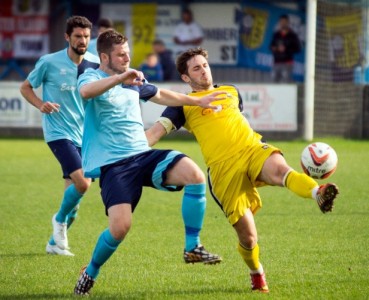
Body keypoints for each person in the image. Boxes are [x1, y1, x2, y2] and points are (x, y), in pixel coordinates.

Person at [145, 48, 339, 293]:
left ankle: (318, 192)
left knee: (281, 171)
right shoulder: (182, 105)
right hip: (224, 171)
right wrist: (127, 151)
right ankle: (256, 272)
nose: (203, 70)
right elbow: (154, 134)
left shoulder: (230, 90)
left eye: (205, 64)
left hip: (251, 149)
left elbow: (238, 120)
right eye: (196, 68)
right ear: (185, 78)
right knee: (248, 238)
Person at [73, 29, 224, 296]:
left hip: (142, 155)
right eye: (121, 55)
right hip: (114, 165)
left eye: (128, 53)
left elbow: (162, 95)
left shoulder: (133, 80)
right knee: (120, 228)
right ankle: (90, 272)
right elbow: (86, 92)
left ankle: (192, 247)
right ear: (104, 56)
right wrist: (120, 78)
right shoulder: (91, 75)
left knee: (194, 175)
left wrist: (197, 100)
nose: (126, 59)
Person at [20, 16, 100, 256]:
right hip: (58, 132)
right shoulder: (49, 62)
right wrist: (41, 104)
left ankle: (54, 244)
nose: (82, 40)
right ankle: (58, 219)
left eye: (86, 36)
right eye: (78, 36)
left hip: (84, 136)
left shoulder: (95, 64)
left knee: (74, 201)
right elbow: (25, 87)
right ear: (67, 37)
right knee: (83, 182)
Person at [269, 14, 301, 83]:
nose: (282, 23)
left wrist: (286, 49)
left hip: (287, 63)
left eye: (284, 22)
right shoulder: (276, 34)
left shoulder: (292, 35)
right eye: (281, 22)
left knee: (286, 82)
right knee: (274, 81)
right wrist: (276, 48)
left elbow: (298, 49)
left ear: (287, 23)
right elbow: (271, 46)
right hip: (276, 62)